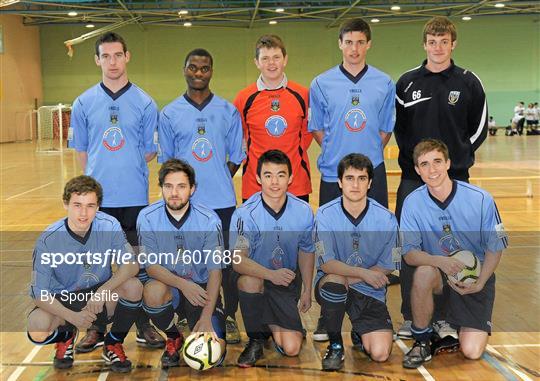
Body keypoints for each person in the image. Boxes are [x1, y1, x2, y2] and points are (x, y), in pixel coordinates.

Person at [394, 16, 488, 341]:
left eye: (443, 41)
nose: (437, 47)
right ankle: (411, 314)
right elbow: (400, 130)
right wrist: (418, 165)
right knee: (411, 248)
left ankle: (450, 315)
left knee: (455, 245)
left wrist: (456, 158)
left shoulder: (468, 81)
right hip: (413, 178)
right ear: (424, 45)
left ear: (453, 44)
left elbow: (478, 128)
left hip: (455, 176)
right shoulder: (406, 82)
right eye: (432, 41)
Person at [69, 32, 164, 351]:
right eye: (105, 56)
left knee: (138, 266)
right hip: (99, 204)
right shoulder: (83, 102)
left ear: (127, 57)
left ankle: (142, 325)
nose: (112, 62)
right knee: (95, 267)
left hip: (135, 200)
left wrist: (125, 164)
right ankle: (96, 327)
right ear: (97, 60)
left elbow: (150, 151)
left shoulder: (146, 102)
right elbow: (82, 151)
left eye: (117, 55)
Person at [309, 17, 395, 342]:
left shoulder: (385, 83)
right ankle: (327, 314)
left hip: (371, 172)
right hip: (334, 173)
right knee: (330, 247)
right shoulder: (321, 83)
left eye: (360, 42)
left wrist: (364, 159)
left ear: (368, 44)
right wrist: (339, 154)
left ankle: (365, 315)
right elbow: (317, 128)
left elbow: (385, 129)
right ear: (340, 44)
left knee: (371, 244)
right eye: (349, 42)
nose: (354, 49)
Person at [158, 48, 245, 344]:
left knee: (225, 263)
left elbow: (236, 157)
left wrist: (215, 179)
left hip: (221, 204)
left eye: (204, 68)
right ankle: (184, 310)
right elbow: (168, 163)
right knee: (184, 260)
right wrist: (184, 192)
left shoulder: (227, 111)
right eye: (193, 67)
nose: (198, 73)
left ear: (211, 72)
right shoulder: (169, 113)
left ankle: (228, 313)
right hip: (183, 207)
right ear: (184, 69)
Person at [400, 139, 507, 368]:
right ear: (417, 170)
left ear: (448, 163)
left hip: (474, 277)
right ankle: (421, 340)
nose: (433, 170)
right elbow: (409, 254)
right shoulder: (412, 203)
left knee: (472, 351)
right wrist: (440, 261)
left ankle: (448, 327)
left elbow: (495, 246)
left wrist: (480, 282)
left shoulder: (480, 199)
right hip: (440, 277)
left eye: (437, 161)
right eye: (425, 164)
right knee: (423, 272)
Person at [27, 176, 143, 373]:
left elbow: (131, 265)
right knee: (37, 328)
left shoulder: (109, 225)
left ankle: (113, 343)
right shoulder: (48, 240)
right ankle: (66, 336)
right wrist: (72, 317)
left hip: (100, 296)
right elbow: (40, 294)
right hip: (64, 299)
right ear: (65, 204)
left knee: (134, 287)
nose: (83, 213)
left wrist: (103, 291)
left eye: (90, 205)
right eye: (77, 205)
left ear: (98, 207)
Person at [138, 159, 227, 368]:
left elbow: (216, 272)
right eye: (168, 186)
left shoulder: (209, 220)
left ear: (192, 189)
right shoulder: (147, 217)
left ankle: (204, 324)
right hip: (171, 287)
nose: (174, 193)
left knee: (215, 353)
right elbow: (151, 266)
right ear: (161, 188)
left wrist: (206, 317)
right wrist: (183, 285)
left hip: (201, 290)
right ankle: (173, 336)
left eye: (181, 186)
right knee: (152, 292)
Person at [230, 150, 315, 367]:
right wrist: (270, 274)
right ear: (258, 178)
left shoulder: (304, 211)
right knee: (249, 281)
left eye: (280, 175)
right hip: (258, 277)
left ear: (290, 178)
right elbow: (238, 260)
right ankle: (256, 339)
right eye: (268, 175)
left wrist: (307, 289)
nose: (274, 182)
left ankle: (270, 322)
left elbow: (306, 251)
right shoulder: (244, 214)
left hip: (285, 282)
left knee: (292, 349)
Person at [313, 153, 398, 371]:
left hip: (370, 290)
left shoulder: (386, 219)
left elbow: (390, 263)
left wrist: (357, 277)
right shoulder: (324, 214)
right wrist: (364, 273)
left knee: (380, 354)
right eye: (349, 178)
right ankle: (335, 345)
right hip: (335, 284)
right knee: (334, 282)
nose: (355, 184)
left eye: (362, 178)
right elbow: (326, 264)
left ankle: (360, 329)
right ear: (340, 182)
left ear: (370, 183)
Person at [234, 35, 313, 202]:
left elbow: (307, 134)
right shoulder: (243, 98)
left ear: (285, 60)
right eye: (265, 58)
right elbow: (238, 137)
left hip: (295, 184)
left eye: (276, 57)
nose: (271, 63)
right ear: (256, 62)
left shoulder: (303, 95)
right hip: (255, 186)